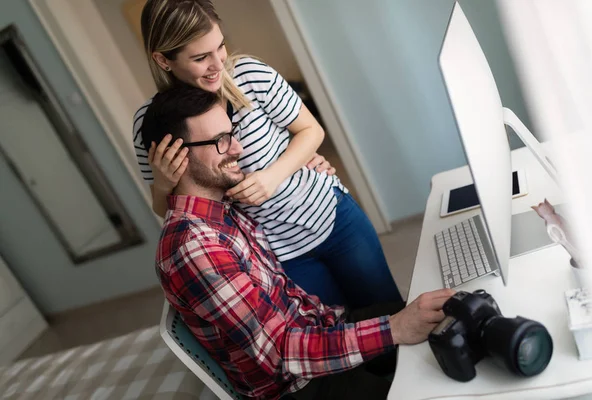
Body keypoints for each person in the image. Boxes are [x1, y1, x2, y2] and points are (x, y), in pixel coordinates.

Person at [140, 84, 455, 400]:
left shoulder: (223, 208)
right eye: (222, 141)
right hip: (302, 384)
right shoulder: (194, 248)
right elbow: (282, 351)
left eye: (232, 133)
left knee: (452, 316)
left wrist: (312, 164)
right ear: (177, 156)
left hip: (319, 334)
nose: (238, 148)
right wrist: (395, 329)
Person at [132, 0, 402, 309]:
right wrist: (165, 185)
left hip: (333, 218)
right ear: (164, 60)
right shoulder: (151, 122)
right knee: (339, 338)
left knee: (391, 313)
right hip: (277, 254)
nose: (218, 65)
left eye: (220, 47)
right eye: (200, 57)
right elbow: (168, 209)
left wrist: (275, 175)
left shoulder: (249, 75)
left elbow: (311, 131)